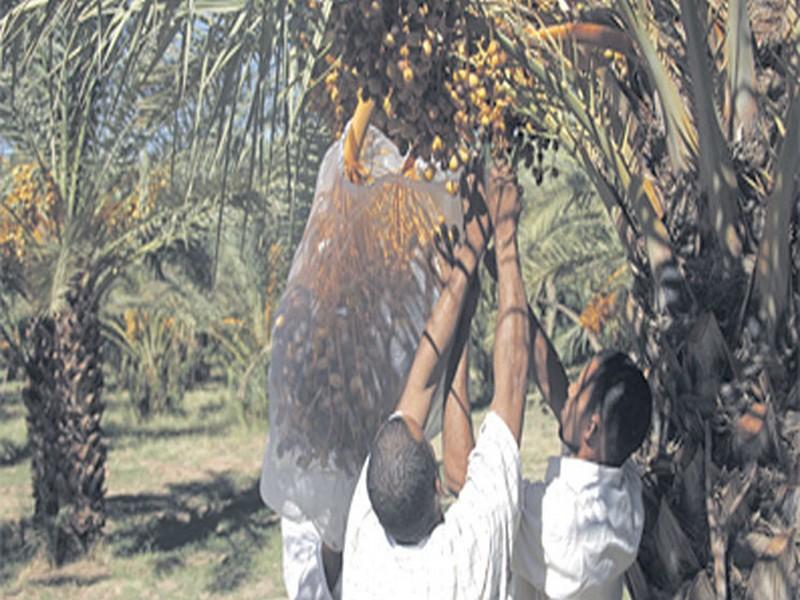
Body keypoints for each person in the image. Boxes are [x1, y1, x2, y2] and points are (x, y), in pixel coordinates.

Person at [342, 163, 531, 599]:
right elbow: (512, 385)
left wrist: (467, 266)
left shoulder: (367, 541)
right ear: (436, 486)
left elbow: (422, 385)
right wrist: (498, 236)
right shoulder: (463, 558)